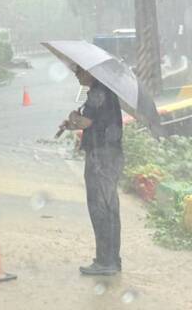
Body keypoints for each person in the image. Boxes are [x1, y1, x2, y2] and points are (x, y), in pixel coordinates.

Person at [59, 67, 123, 276]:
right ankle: (111, 259)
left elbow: (87, 122)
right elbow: (94, 123)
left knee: (100, 208)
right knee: (109, 207)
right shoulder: (102, 92)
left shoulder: (98, 92)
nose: (76, 74)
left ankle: (106, 261)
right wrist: (73, 123)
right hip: (109, 155)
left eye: (79, 71)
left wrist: (73, 118)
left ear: (90, 72)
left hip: (101, 157)